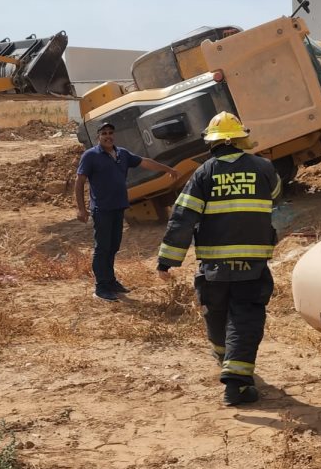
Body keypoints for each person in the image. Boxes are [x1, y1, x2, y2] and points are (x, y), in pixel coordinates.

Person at [156, 112, 281, 406]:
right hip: (252, 264)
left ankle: (229, 367)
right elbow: (275, 194)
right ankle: (236, 380)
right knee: (245, 317)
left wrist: (167, 260)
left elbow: (183, 218)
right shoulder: (264, 168)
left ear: (212, 143)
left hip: (214, 267)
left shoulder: (204, 174)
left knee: (216, 312)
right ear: (239, 140)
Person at [75, 122, 178, 301]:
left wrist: (167, 169)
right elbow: (79, 182)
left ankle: (111, 281)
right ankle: (101, 287)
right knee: (102, 248)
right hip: (102, 209)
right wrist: (81, 209)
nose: (108, 136)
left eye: (110, 133)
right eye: (104, 133)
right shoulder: (90, 155)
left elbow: (145, 162)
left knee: (113, 247)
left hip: (118, 208)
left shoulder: (122, 154)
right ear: (98, 136)